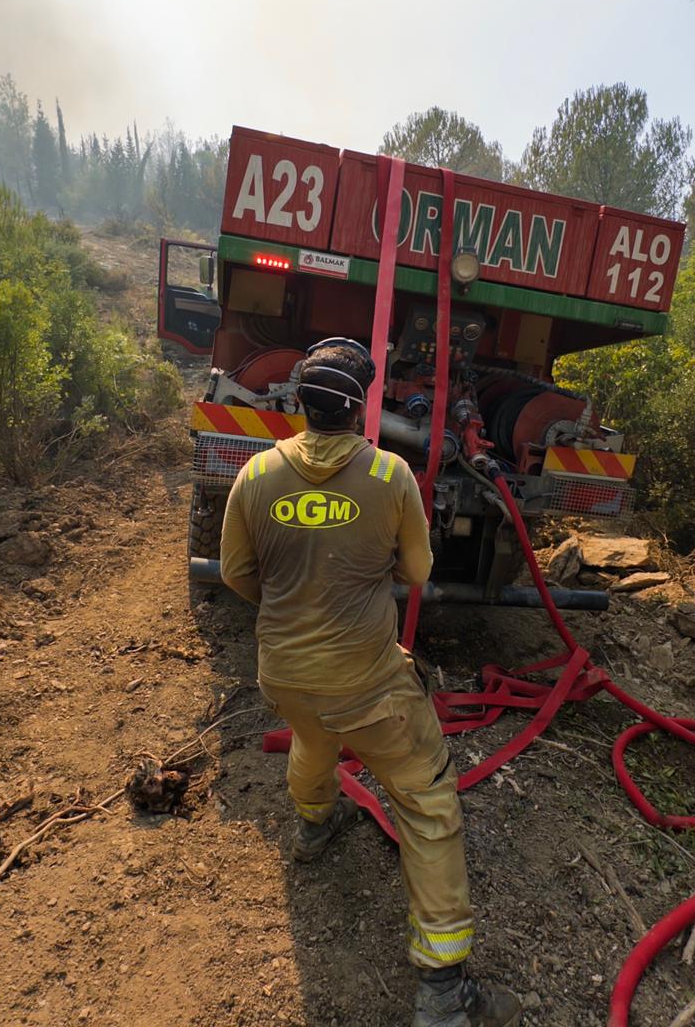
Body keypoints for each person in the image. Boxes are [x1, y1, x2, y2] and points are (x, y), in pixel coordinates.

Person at [220, 337, 521, 1027]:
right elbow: (417, 574)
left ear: (298, 402)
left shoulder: (255, 476)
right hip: (368, 685)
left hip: (286, 674)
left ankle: (314, 825)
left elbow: (238, 576)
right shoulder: (390, 479)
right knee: (426, 797)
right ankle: (444, 993)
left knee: (314, 737)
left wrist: (294, 597)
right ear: (364, 411)